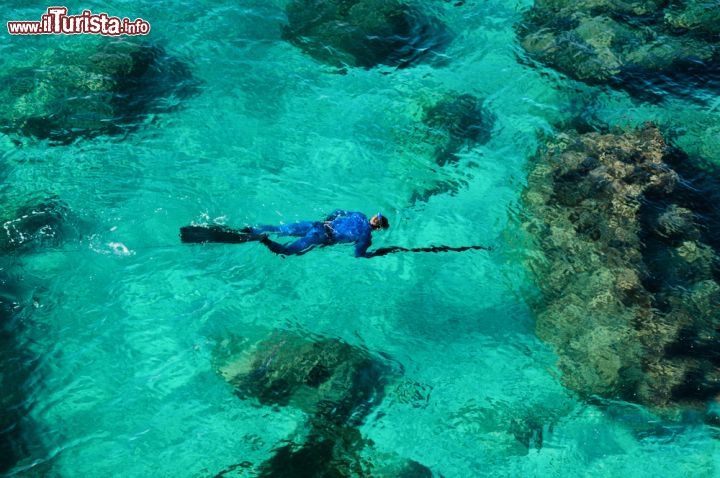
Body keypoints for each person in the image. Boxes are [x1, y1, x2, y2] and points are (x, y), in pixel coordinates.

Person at [243, 210, 389, 258]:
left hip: (318, 225)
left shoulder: (359, 215)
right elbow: (358, 254)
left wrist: (327, 220)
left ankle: (249, 230)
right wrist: (376, 253)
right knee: (287, 252)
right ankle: (264, 240)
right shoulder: (366, 236)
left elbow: (337, 211)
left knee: (278, 229)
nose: (376, 217)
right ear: (378, 229)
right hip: (320, 237)